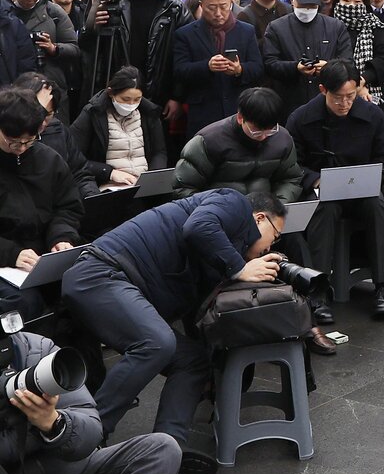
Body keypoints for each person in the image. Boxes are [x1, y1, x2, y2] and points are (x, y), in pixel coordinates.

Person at [61, 190, 284, 449]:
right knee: (157, 342)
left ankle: (168, 449)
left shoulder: (223, 247)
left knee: (192, 360)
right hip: (100, 273)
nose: (270, 248)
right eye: (275, 237)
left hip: (119, 284)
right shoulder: (234, 202)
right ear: (258, 218)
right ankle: (85, 440)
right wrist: (240, 268)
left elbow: (196, 316)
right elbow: (198, 226)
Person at [0, 329, 193, 474]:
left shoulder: (32, 348)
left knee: (162, 449)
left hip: (65, 473)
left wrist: (53, 423)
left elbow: (91, 429)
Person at [286, 60, 384, 319]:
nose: (345, 104)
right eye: (338, 98)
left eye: (350, 96)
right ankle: (318, 289)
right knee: (325, 209)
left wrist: (374, 178)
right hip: (321, 192)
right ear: (323, 90)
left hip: (363, 190)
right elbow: (292, 164)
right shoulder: (302, 118)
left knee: (376, 205)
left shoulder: (372, 115)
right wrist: (314, 180)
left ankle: (383, 287)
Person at [82, 0, 192, 120]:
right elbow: (88, 48)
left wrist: (176, 96)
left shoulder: (175, 9)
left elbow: (185, 55)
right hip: (118, 92)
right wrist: (92, 25)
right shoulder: (113, 3)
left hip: (158, 94)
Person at [0, 88, 83, 296]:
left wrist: (61, 237)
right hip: (8, 261)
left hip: (44, 254)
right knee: (21, 302)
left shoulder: (49, 160)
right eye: (13, 141)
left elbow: (68, 206)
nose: (21, 148)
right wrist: (10, 254)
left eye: (29, 140)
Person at [171, 87, 302, 206]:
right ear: (240, 118)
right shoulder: (209, 140)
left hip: (263, 215)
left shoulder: (282, 139)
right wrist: (212, 212)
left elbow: (290, 179)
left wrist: (277, 207)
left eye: (270, 130)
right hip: (218, 214)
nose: (263, 137)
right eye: (256, 131)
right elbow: (184, 188)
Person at [172, 0, 264, 137]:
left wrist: (239, 70)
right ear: (201, 5)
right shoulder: (186, 34)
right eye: (212, 8)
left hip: (238, 109)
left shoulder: (246, 31)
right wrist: (207, 66)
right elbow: (179, 70)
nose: (218, 13)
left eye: (223, 6)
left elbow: (258, 68)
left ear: (231, 2)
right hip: (203, 111)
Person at [263, 0, 352, 121]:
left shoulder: (335, 27)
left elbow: (348, 62)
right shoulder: (276, 28)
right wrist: (295, 68)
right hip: (289, 104)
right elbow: (269, 63)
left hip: (328, 104)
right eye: (303, 5)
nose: (307, 10)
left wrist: (329, 67)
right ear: (292, 0)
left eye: (312, 6)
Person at [70, 66, 168, 189]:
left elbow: (159, 152)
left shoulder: (149, 113)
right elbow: (73, 156)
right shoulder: (93, 114)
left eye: (137, 99)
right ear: (111, 93)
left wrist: (152, 178)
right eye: (125, 99)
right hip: (108, 184)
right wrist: (109, 172)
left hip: (143, 185)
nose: (131, 104)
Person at [8, 0, 80, 111]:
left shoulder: (53, 11)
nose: (31, 0)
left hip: (49, 89)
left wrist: (54, 48)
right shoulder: (4, 14)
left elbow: (74, 48)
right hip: (10, 90)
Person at [15, 73, 98, 199]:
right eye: (36, 112)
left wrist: (92, 198)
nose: (42, 122)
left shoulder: (58, 130)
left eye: (48, 114)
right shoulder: (7, 137)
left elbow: (80, 173)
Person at [328, 0, 384, 106]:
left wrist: (362, 80)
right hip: (333, 90)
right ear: (337, 1)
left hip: (369, 92)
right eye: (346, 1)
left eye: (357, 1)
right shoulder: (328, 25)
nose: (352, 6)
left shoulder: (374, 25)